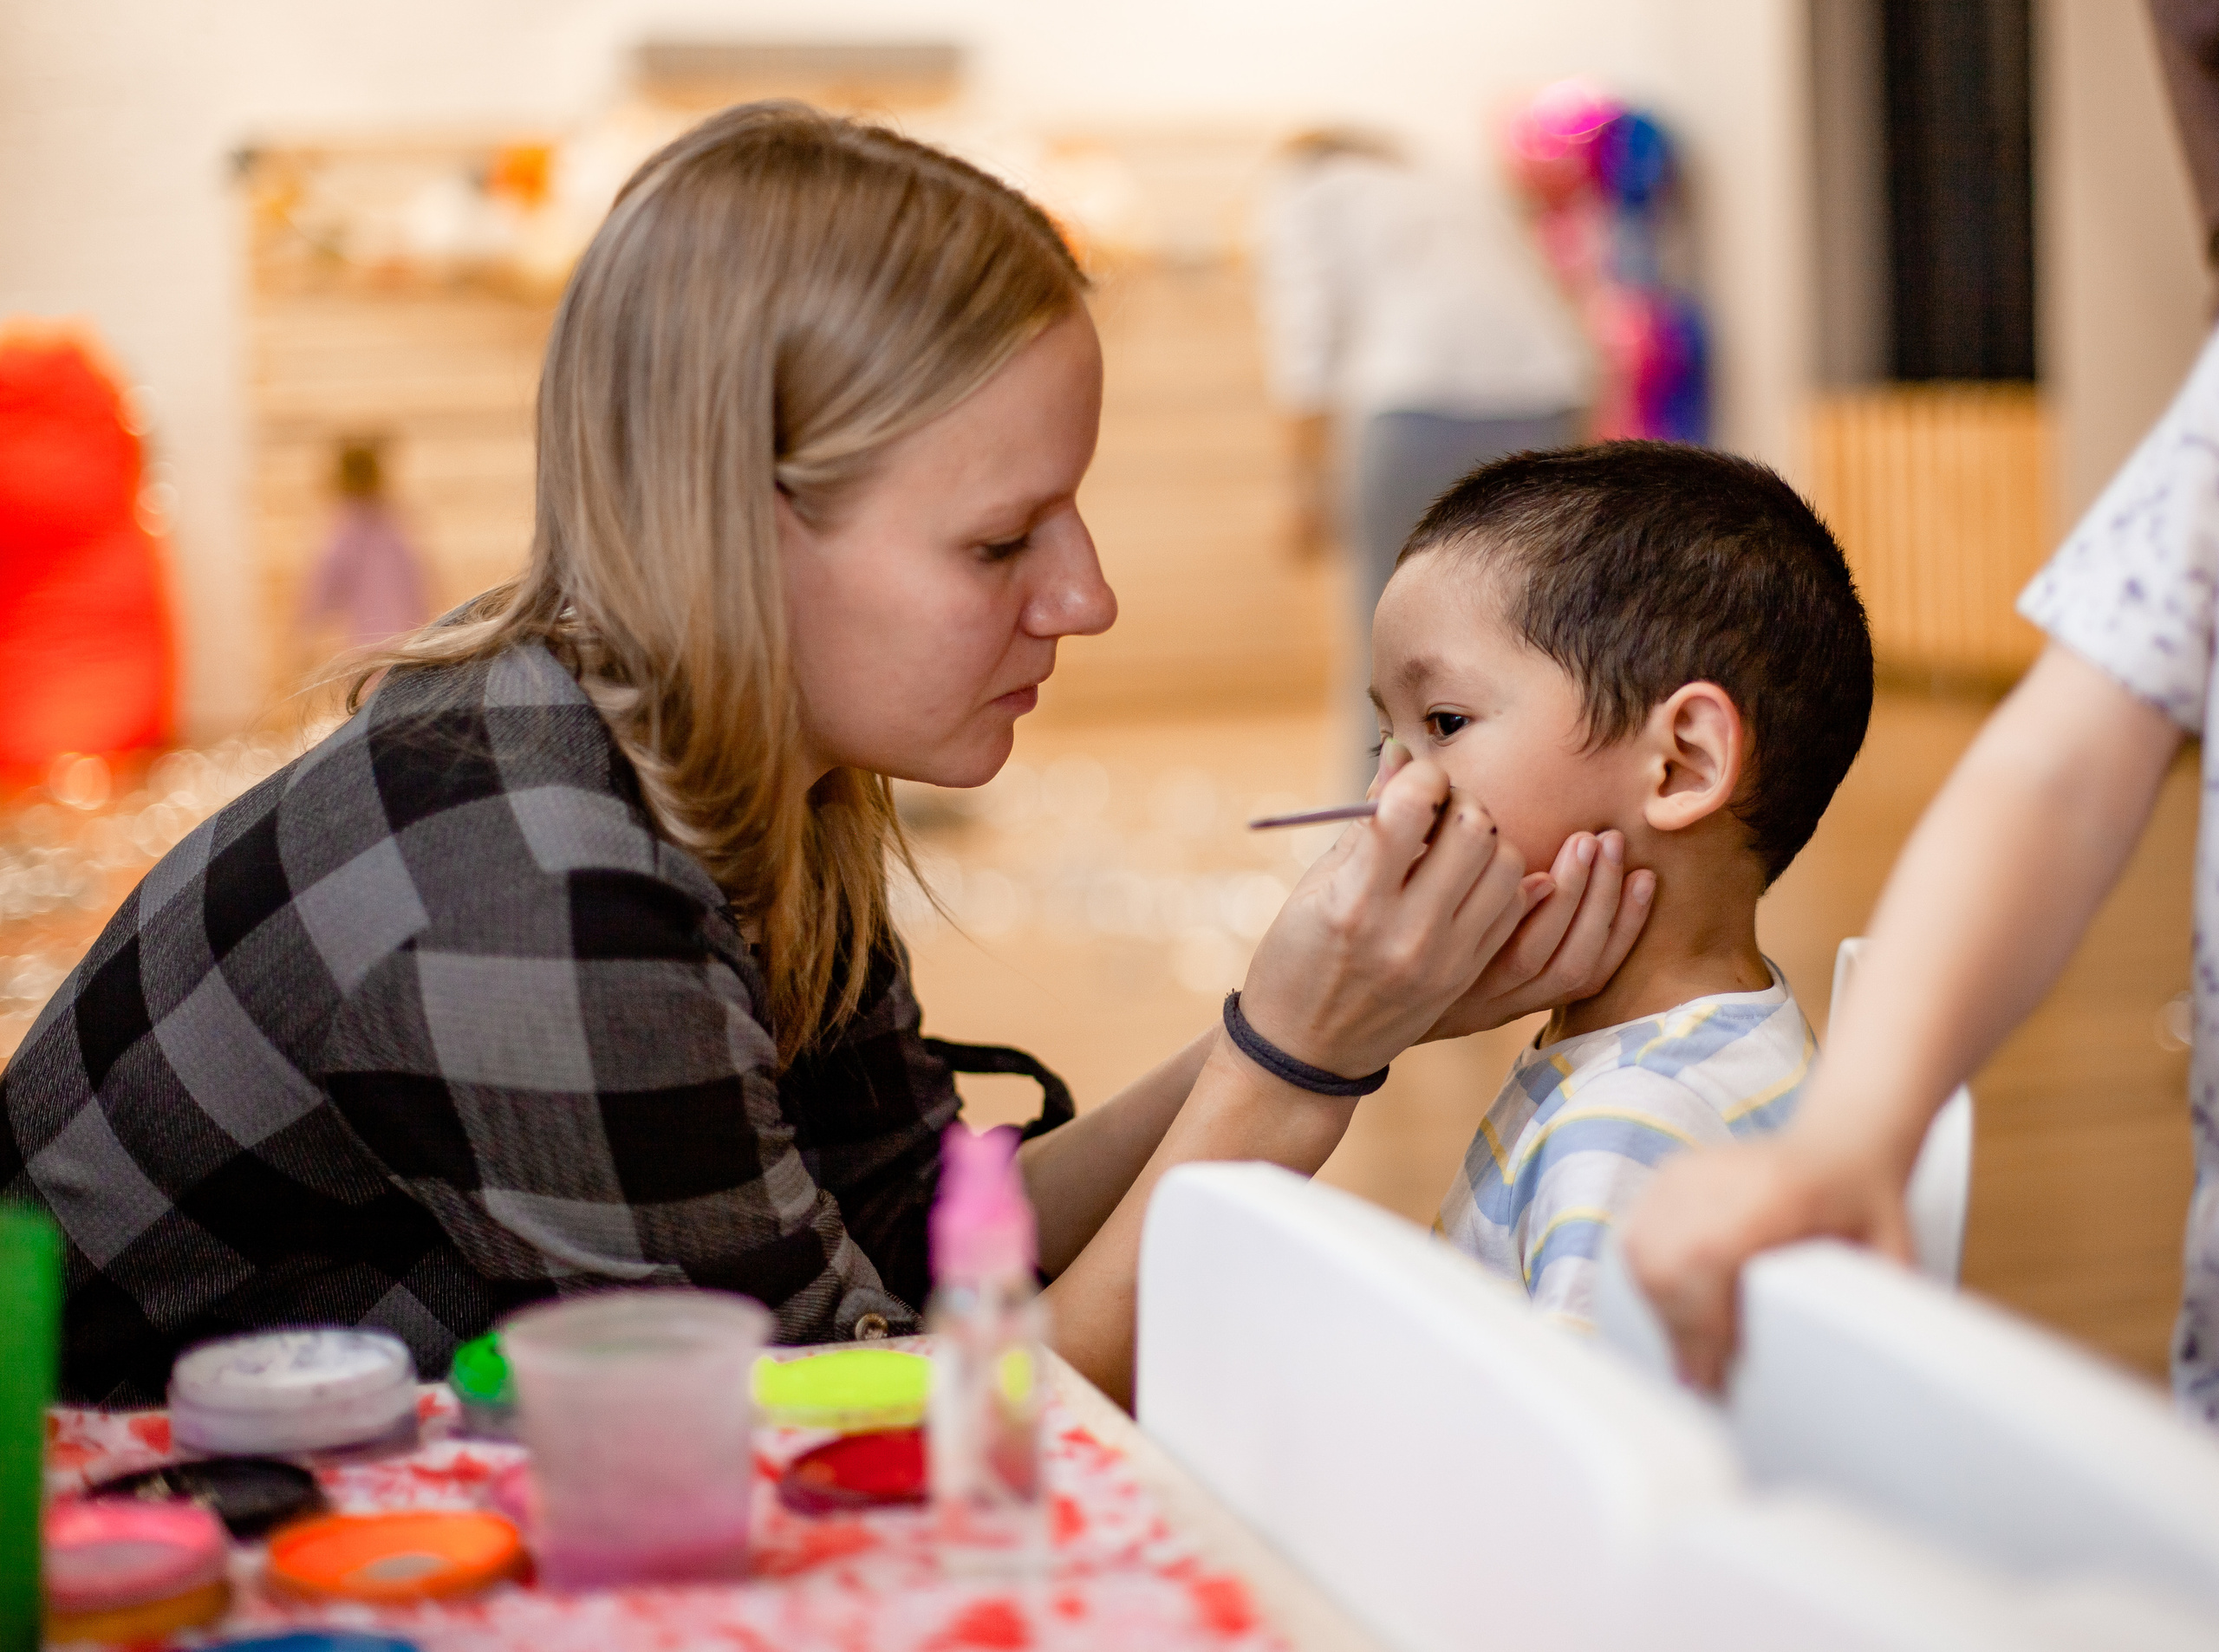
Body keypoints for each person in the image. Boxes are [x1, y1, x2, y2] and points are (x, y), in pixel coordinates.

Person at [0, 105, 1650, 1409]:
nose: (1089, 596)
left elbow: (925, 1236)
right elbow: (885, 1434)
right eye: (1004, 541)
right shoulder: (534, 878)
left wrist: (1321, 1015)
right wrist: (1294, 1075)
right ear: (739, 532)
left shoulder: (746, 771)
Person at [1371, 446, 1872, 1330]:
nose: (1390, 790)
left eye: (1443, 722)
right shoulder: (1725, 1039)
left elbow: (1585, 1458)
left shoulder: (1628, 1131)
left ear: (1681, 762)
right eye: (1385, 736)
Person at [1255, 131, 1593, 791]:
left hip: (1418, 405)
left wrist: (1300, 485)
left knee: (1391, 628)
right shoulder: (1452, 179)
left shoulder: (1302, 190)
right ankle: (1543, 802)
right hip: (1548, 395)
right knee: (1535, 625)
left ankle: (1378, 819)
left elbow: (1305, 338)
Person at [299, 438, 431, 653]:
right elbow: (419, 595)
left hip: (364, 651)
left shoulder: (343, 532)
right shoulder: (396, 528)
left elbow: (317, 602)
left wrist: (302, 642)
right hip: (401, 647)